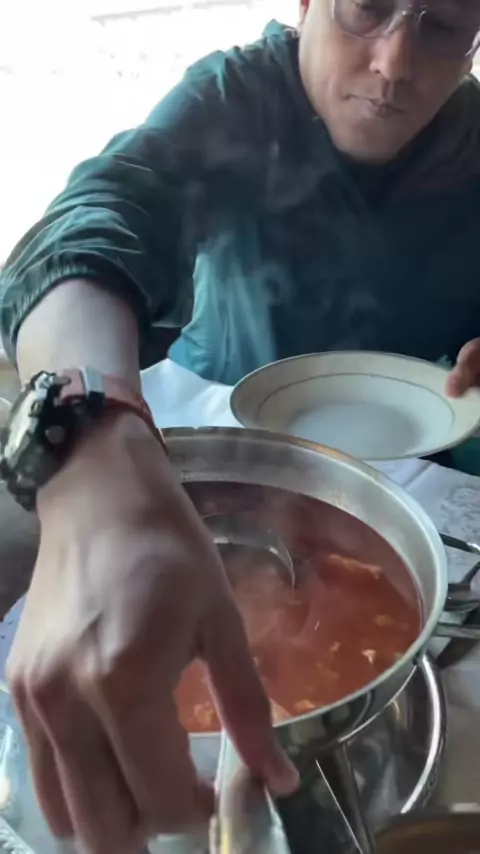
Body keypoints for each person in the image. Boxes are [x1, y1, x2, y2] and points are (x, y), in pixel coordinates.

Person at [2, 0, 480, 850]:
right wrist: (91, 438)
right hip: (210, 433)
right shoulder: (236, 100)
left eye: (442, 25)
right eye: (366, 9)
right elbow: (92, 221)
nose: (395, 64)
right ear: (306, 5)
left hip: (420, 463)